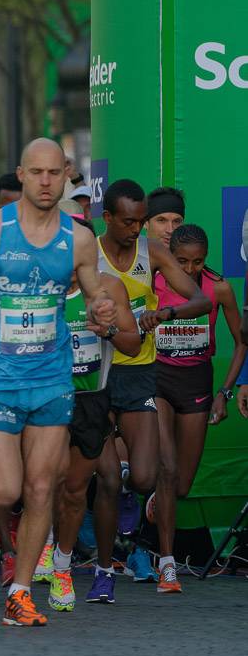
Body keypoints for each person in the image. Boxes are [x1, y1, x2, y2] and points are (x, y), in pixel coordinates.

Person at [0, 138, 117, 627]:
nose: (44, 182)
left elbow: (96, 293)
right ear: (20, 173)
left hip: (53, 378)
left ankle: (19, 592)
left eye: (54, 173)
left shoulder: (78, 238)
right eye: (35, 172)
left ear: (66, 176)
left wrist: (101, 312)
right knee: (5, 491)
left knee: (43, 487)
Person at [91, 177, 207, 597]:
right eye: (129, 222)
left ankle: (126, 504)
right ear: (107, 219)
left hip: (140, 370)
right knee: (100, 477)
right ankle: (91, 567)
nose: (136, 230)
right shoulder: (90, 252)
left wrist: (165, 314)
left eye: (142, 221)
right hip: (97, 370)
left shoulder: (152, 251)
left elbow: (200, 299)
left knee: (144, 478)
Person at [51, 201, 142, 613]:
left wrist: (103, 327)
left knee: (73, 490)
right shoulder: (38, 286)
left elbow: (132, 344)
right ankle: (41, 549)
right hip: (46, 396)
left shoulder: (108, 288)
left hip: (90, 399)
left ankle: (62, 566)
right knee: (37, 483)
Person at [150, 224, 242, 592]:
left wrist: (225, 391)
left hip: (197, 385)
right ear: (170, 256)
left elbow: (241, 342)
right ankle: (168, 564)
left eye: (197, 262)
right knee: (167, 467)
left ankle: (157, 502)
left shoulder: (218, 287)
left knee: (182, 484)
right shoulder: (154, 282)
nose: (188, 270)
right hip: (157, 379)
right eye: (181, 261)